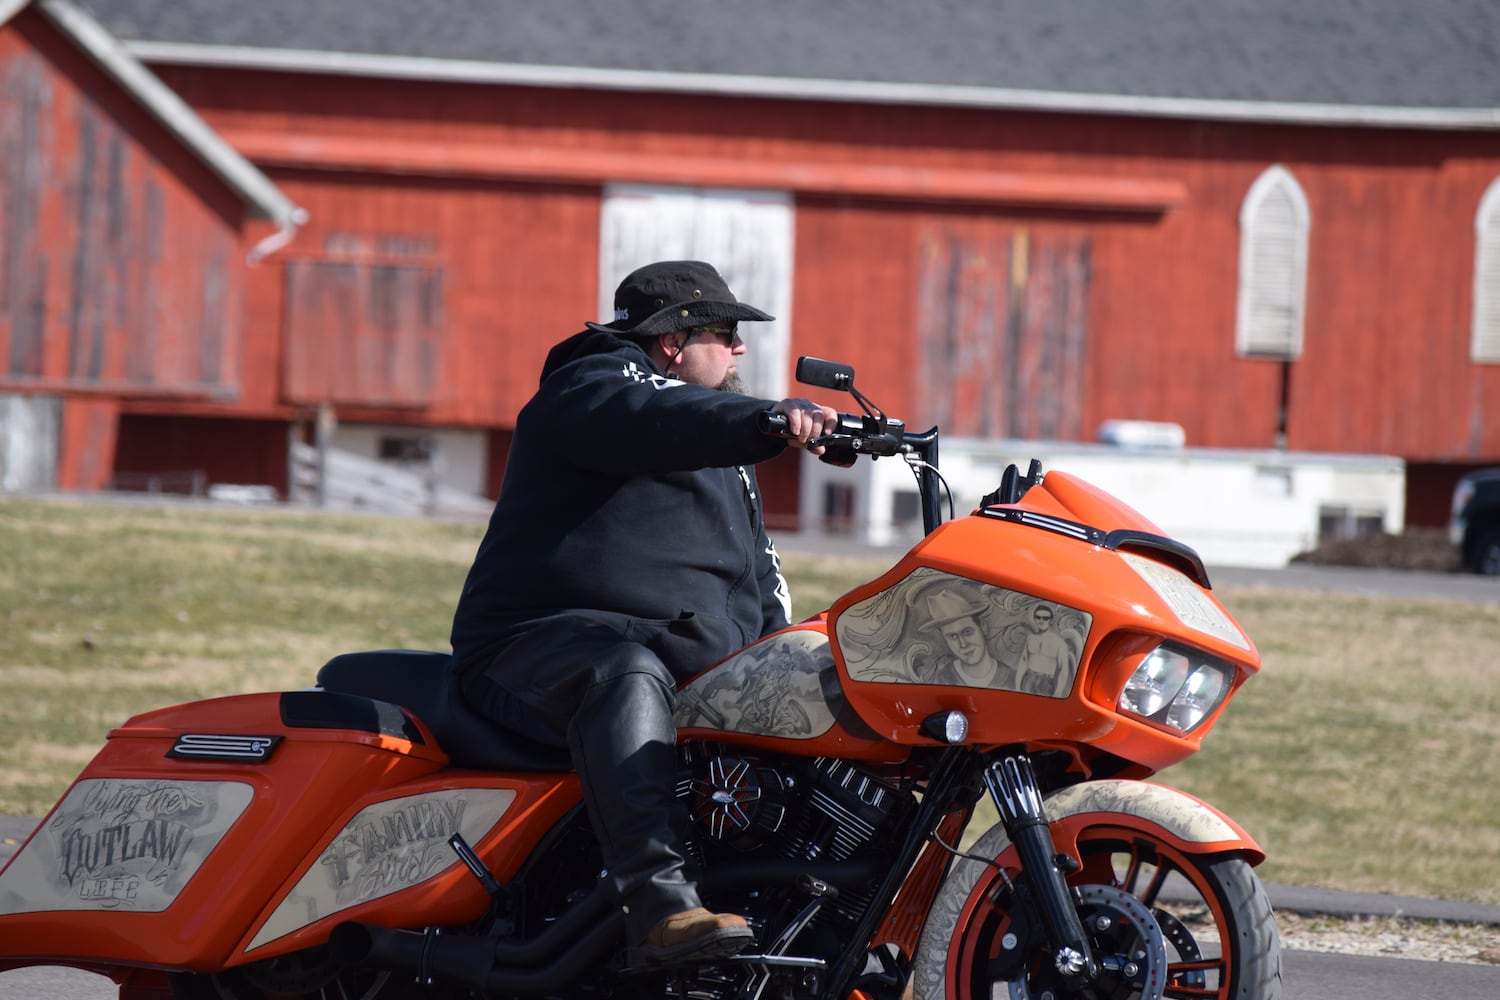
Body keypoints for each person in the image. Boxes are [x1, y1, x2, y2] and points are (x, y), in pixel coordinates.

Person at [448, 260, 838, 965]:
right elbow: (650, 413)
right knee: (623, 672)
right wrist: (769, 417)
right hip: (532, 648)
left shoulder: (717, 446)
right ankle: (660, 906)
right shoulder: (594, 383)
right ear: (671, 342)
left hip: (668, 658)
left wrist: (792, 658)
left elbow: (761, 577)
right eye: (725, 331)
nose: (740, 348)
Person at [919, 589, 1011, 688]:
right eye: (953, 636)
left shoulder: (1013, 677)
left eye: (967, 632)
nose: (963, 644)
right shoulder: (941, 680)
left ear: (983, 627)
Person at [1017, 603, 1071, 696]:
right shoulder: (1031, 638)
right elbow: (1023, 662)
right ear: (1035, 619)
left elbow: (1063, 669)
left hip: (1046, 683)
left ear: (1050, 620)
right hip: (1028, 679)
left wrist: (1059, 691)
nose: (1041, 621)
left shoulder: (1059, 642)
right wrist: (1017, 686)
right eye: (1038, 617)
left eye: (1045, 618)